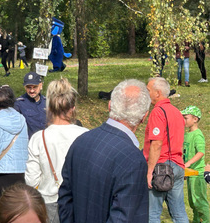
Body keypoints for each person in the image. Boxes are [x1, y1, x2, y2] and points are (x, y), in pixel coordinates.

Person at [58, 79, 151, 223]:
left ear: (109, 106)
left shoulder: (81, 141)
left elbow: (64, 199)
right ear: (144, 117)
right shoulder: (133, 160)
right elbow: (126, 218)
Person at [25, 78, 88, 223]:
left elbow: (31, 179)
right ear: (72, 108)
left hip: (48, 201)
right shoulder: (85, 134)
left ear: (49, 109)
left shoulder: (38, 138)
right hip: (79, 201)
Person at [143, 77, 188, 223]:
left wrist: (150, 171)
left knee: (152, 214)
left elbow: (157, 143)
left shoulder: (157, 112)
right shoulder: (176, 112)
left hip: (161, 167)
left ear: (157, 93)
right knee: (179, 212)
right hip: (177, 165)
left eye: (148, 90)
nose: (146, 93)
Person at [181, 105, 210, 223]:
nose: (184, 120)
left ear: (195, 119)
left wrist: (187, 164)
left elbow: (201, 152)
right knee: (192, 202)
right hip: (190, 173)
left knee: (200, 202)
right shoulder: (187, 134)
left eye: (186, 118)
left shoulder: (197, 134)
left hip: (198, 174)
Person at [14, 72, 46, 139]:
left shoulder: (48, 102)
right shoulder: (19, 104)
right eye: (29, 87)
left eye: (35, 87)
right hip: (30, 143)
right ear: (25, 87)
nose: (32, 90)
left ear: (41, 86)